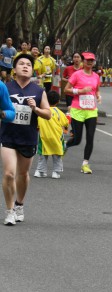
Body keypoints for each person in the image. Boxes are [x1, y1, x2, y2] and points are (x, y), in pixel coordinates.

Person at [0, 53, 51, 226]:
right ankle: (9, 211)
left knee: (22, 174)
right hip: (7, 136)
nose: (25, 66)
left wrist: (36, 109)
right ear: (14, 69)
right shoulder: (5, 88)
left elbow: (48, 114)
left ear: (32, 70)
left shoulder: (38, 91)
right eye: (21, 63)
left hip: (28, 138)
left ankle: (19, 204)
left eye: (28, 65)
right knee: (9, 173)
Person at [64, 51, 101, 174]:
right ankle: (65, 146)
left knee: (90, 138)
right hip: (78, 110)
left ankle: (85, 164)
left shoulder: (96, 76)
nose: (89, 62)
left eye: (91, 60)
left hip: (91, 111)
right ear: (83, 61)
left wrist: (99, 96)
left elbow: (97, 90)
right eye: (87, 60)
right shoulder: (77, 75)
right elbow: (66, 90)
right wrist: (80, 91)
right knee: (77, 139)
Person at [34, 90, 68, 179]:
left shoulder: (42, 112)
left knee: (43, 155)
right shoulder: (59, 113)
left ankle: (40, 171)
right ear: (58, 101)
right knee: (57, 155)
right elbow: (65, 122)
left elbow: (37, 125)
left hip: (44, 137)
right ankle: (56, 172)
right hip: (56, 137)